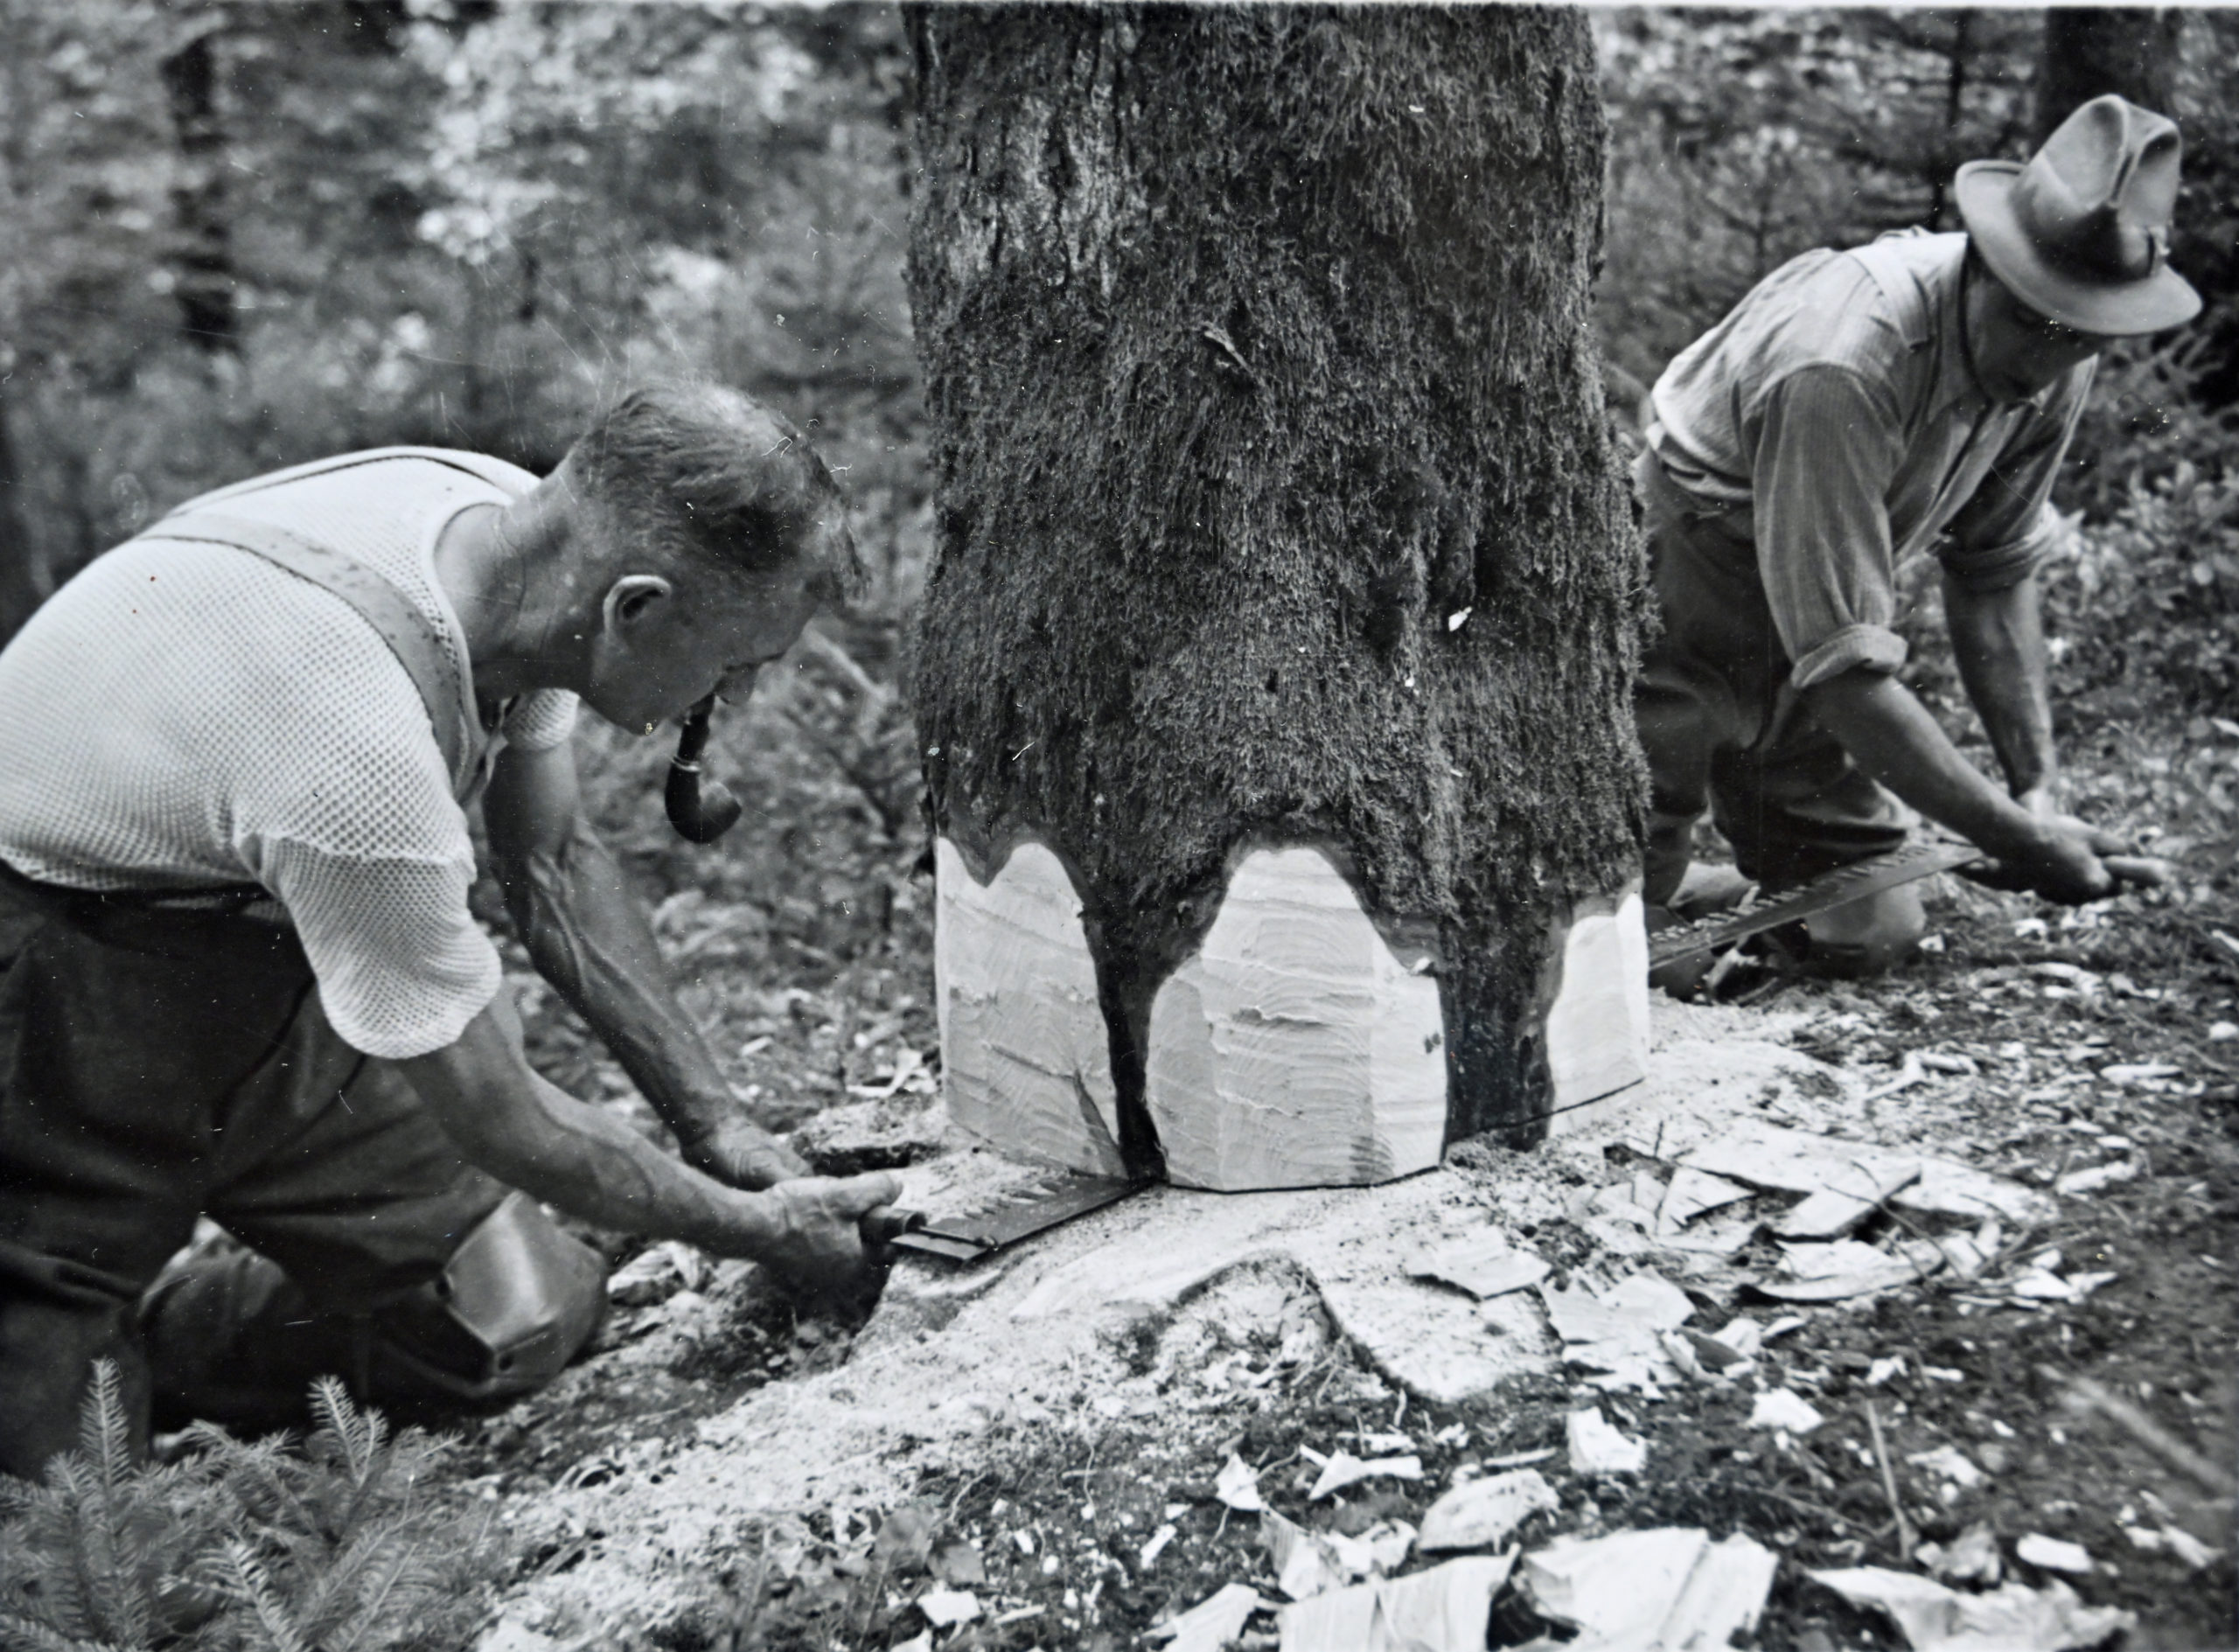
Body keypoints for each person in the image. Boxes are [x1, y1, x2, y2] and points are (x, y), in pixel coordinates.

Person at [0, 382, 905, 1480]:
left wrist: (716, 1124)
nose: (740, 696)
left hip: (253, 962)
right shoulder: (353, 747)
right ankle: (66, 1334)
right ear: (637, 609)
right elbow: (504, 1117)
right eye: (737, 663)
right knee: (63, 1512)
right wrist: (759, 1231)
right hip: (44, 992)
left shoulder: (527, 552)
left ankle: (158, 1344)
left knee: (511, 1313)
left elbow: (551, 861)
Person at [1634, 94, 2199, 975]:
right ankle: (1645, 911)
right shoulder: (1841, 362)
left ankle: (1699, 920)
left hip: (1817, 613)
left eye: (2082, 336)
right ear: (1984, 264)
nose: (2048, 363)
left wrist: (2035, 795)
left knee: (1873, 929)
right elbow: (1847, 679)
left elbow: (1993, 572)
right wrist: (2014, 841)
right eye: (2036, 322)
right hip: (1686, 584)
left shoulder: (2058, 351)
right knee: (1606, 940)